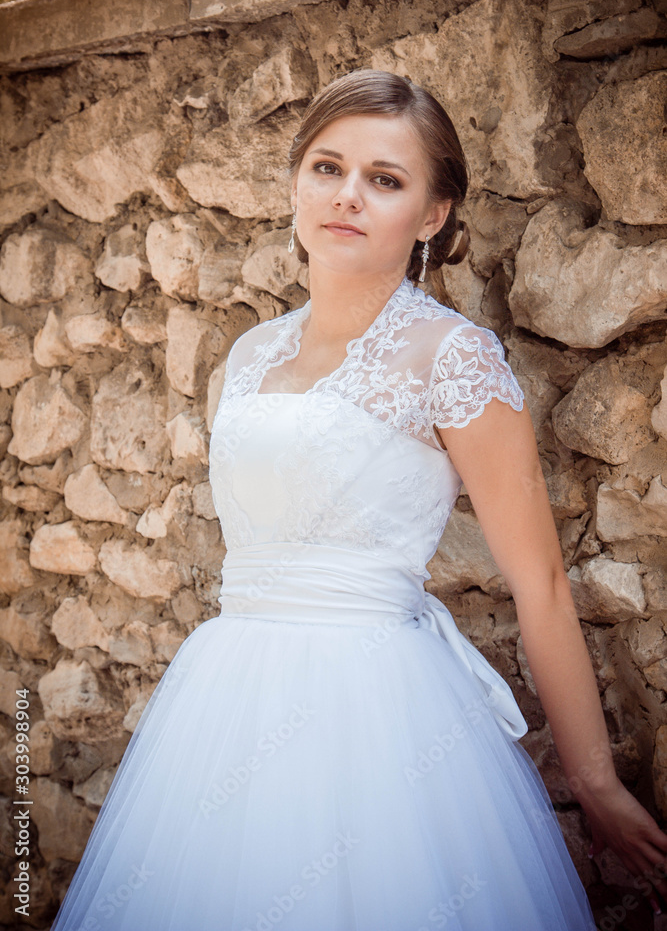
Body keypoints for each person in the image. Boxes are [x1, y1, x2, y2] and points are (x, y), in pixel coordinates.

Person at [49, 68, 667, 931]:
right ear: (296, 180)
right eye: (327, 168)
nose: (347, 196)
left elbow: (542, 587)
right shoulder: (251, 354)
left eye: (385, 180)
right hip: (227, 697)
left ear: (433, 213)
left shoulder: (453, 358)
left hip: (379, 712)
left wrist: (595, 783)